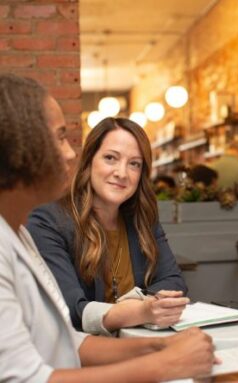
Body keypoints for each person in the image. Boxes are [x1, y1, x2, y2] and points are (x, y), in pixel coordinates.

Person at [0, 73, 215, 382]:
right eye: (59, 137)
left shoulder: (17, 233)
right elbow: (25, 376)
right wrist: (165, 363)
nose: (69, 153)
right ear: (19, 147)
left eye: (135, 164)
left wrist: (161, 345)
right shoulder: (41, 223)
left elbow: (68, 340)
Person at [27, 117, 188, 335]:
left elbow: (175, 282)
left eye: (134, 164)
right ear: (89, 161)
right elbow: (70, 309)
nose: (122, 173)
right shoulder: (48, 222)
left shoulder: (143, 218)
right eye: (111, 158)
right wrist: (141, 311)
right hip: (81, 357)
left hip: (139, 346)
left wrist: (140, 306)